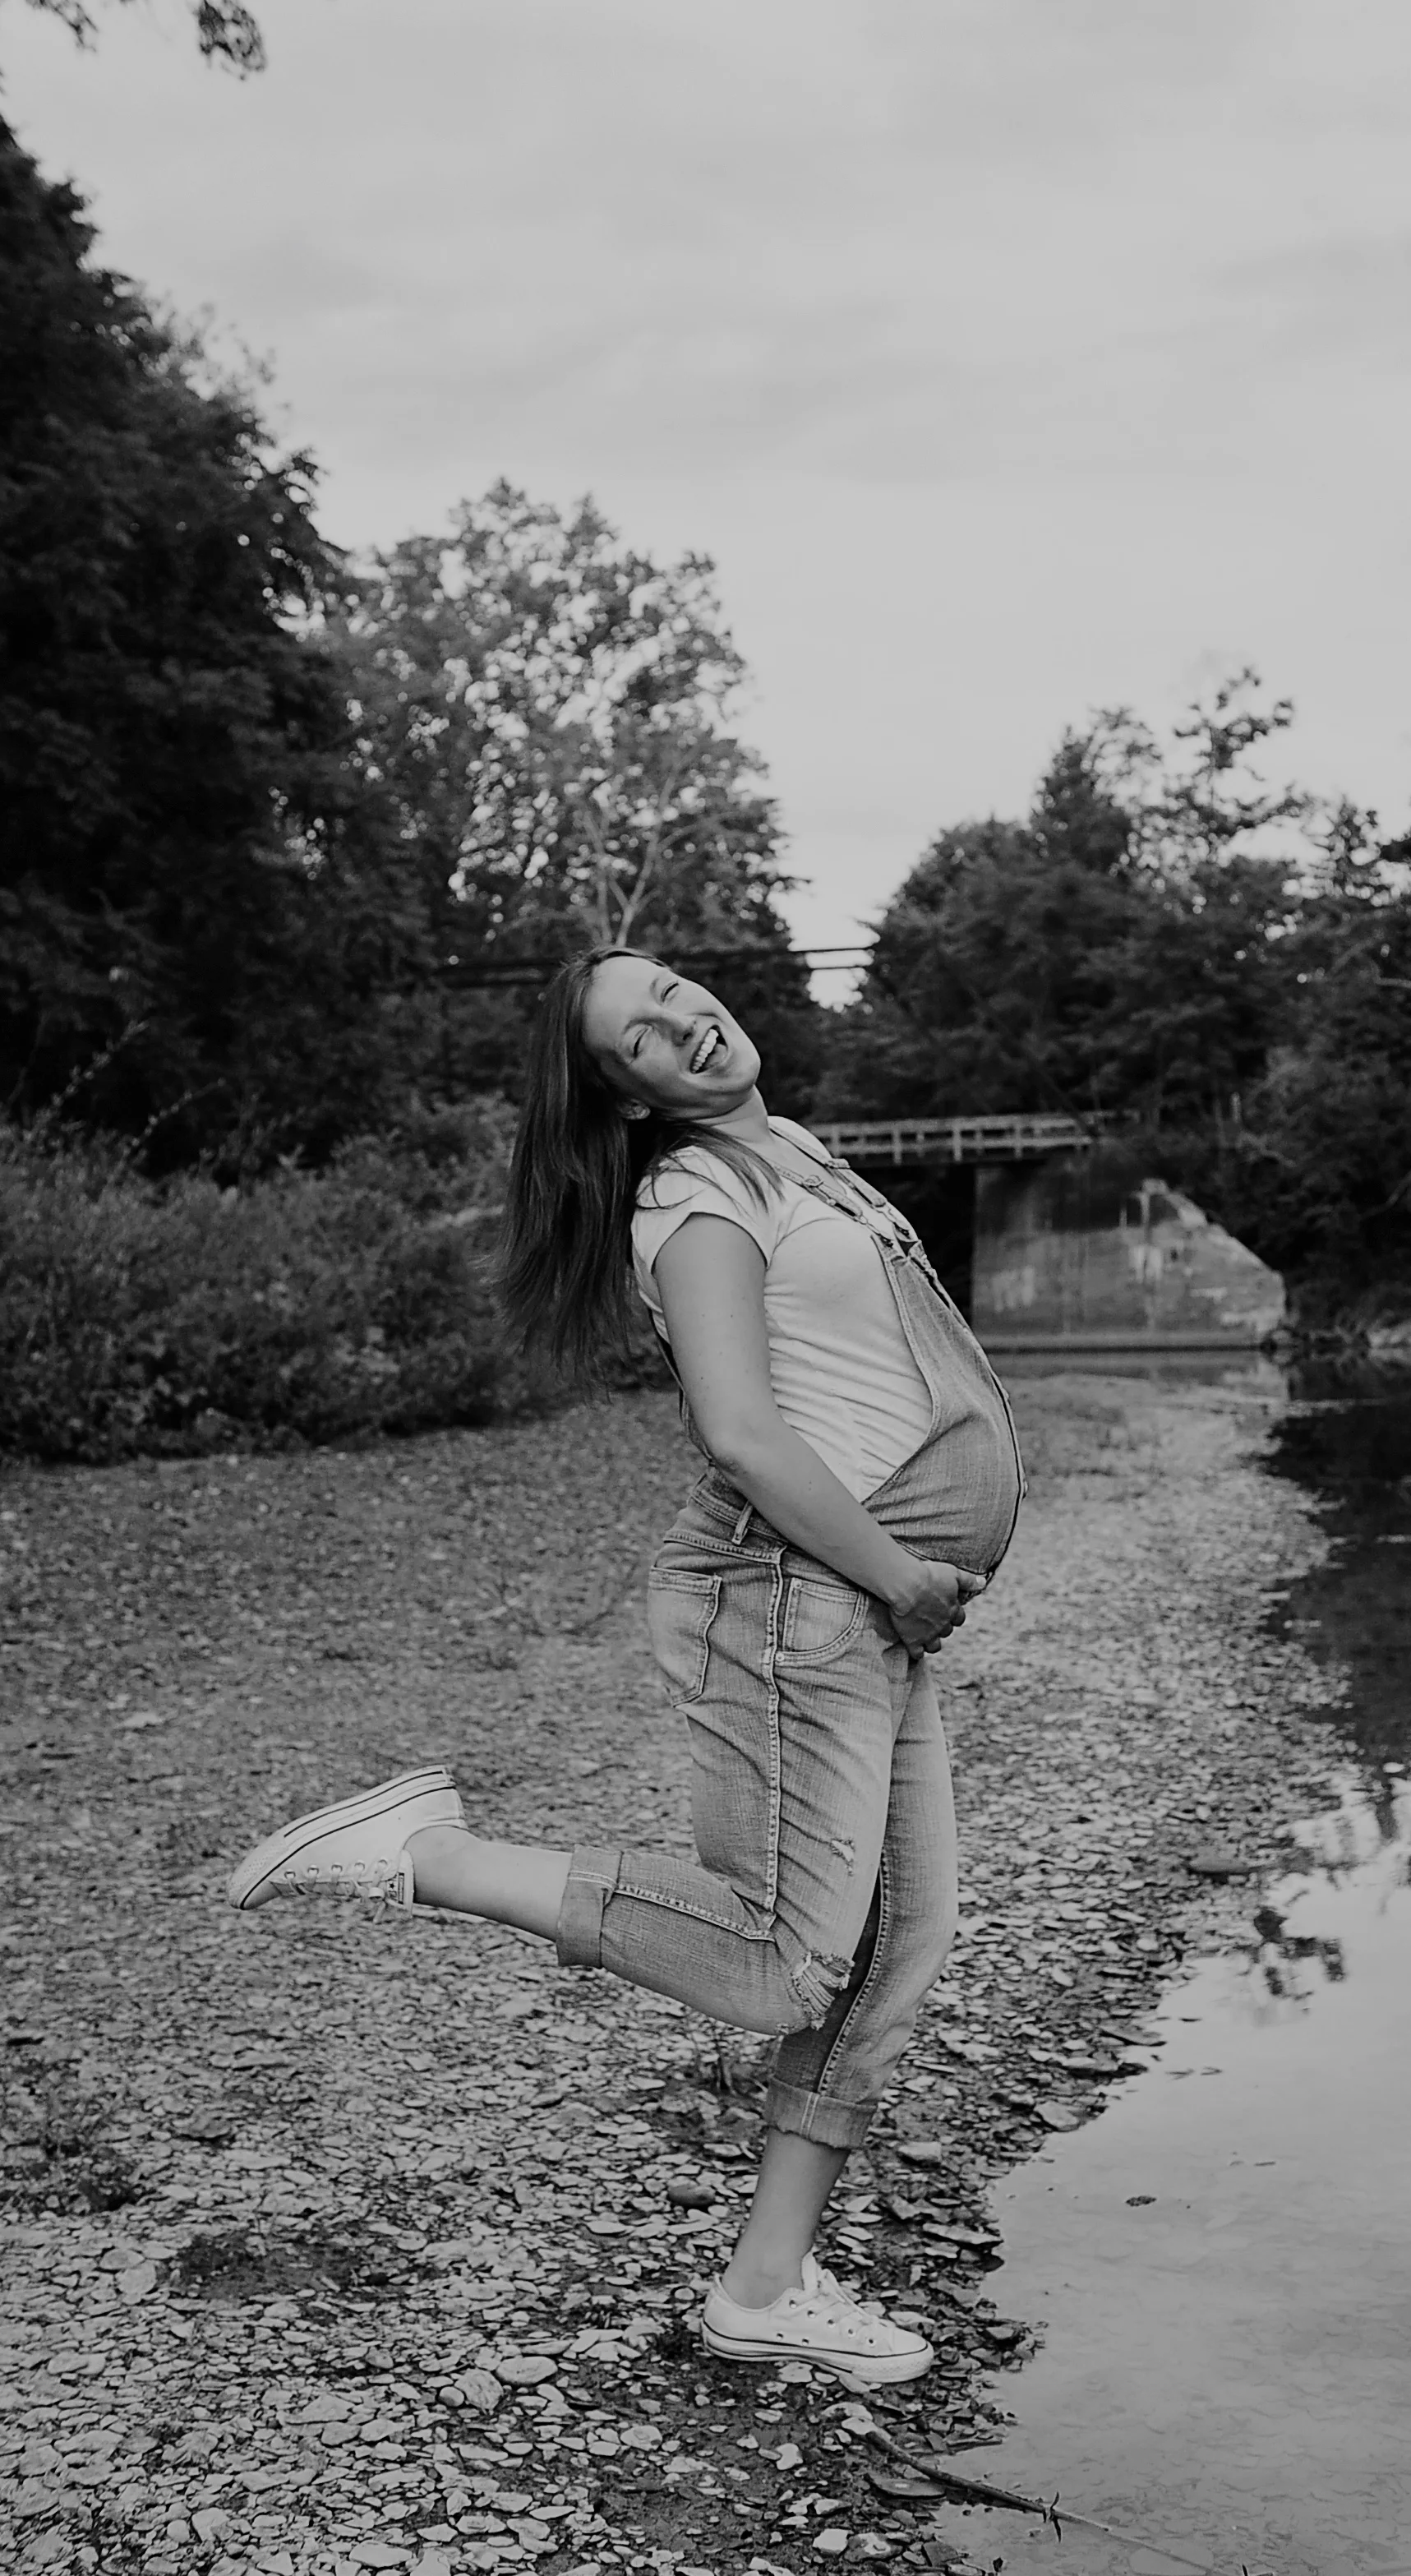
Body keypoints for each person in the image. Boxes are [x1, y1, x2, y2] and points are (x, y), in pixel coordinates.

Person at [226, 948, 1024, 2386]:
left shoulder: (791, 1151)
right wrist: (903, 1573)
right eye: (640, 1037)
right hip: (807, 1601)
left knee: (894, 1948)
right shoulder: (698, 1195)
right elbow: (742, 1433)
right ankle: (432, 1855)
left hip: (857, 1606)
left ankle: (764, 2291)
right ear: (628, 1095)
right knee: (788, 1960)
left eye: (674, 993)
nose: (684, 1023)